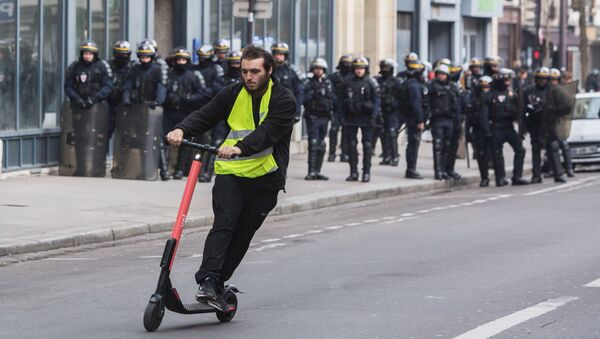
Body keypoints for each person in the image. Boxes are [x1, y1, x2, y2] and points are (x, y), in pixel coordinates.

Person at [165, 44, 296, 312]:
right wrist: (181, 128)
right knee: (224, 224)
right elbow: (206, 114)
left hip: (265, 178)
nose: (249, 77)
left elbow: (269, 132)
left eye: (255, 71)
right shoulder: (233, 93)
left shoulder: (283, 99)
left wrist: (240, 147)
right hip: (232, 173)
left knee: (243, 233)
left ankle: (219, 282)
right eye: (244, 71)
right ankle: (208, 281)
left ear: (269, 70)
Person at [122, 42, 168, 179]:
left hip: (152, 110)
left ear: (152, 56)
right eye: (142, 56)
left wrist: (158, 102)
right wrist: (126, 99)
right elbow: (128, 86)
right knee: (141, 140)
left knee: (157, 139)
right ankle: (144, 169)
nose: (145, 59)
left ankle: (164, 170)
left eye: (147, 57)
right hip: (137, 109)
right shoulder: (134, 69)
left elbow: (162, 87)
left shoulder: (157, 69)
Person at [163, 47, 208, 179]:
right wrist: (169, 96)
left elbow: (202, 93)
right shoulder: (168, 74)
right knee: (166, 140)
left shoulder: (193, 76)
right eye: (178, 59)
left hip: (186, 112)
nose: (181, 62)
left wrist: (189, 99)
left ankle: (179, 170)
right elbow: (161, 89)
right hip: (170, 112)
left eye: (183, 59)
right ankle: (165, 169)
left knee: (184, 143)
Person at [481, 68, 529, 186]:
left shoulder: (512, 94)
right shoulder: (490, 95)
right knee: (497, 153)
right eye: (506, 79)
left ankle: (517, 176)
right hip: (496, 127)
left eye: (509, 79)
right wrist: (487, 130)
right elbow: (484, 114)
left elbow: (520, 112)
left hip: (509, 127)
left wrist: (522, 130)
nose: (508, 81)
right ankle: (500, 178)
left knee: (520, 150)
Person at [341, 57, 380, 182]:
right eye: (357, 68)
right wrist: (342, 117)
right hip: (351, 118)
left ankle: (366, 172)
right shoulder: (347, 82)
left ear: (365, 69)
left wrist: (374, 116)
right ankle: (353, 172)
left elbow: (377, 101)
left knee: (367, 145)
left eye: (361, 68)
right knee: (351, 145)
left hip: (366, 118)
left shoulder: (371, 82)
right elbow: (340, 100)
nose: (359, 71)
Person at [194, 44, 225, 182]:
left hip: (216, 108)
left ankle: (208, 171)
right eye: (201, 57)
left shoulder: (217, 69)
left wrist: (205, 93)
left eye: (205, 58)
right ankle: (196, 170)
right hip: (199, 107)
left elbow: (218, 87)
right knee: (199, 141)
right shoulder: (195, 69)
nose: (202, 60)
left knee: (215, 142)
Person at [303, 58, 335, 180]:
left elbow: (333, 100)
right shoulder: (308, 83)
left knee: (322, 144)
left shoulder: (328, 83)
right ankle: (311, 171)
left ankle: (317, 171)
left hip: (325, 117)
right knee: (313, 143)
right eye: (316, 68)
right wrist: (312, 94)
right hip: (313, 116)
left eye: (320, 69)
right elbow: (303, 99)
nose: (318, 71)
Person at [428, 64, 461, 180]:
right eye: (439, 74)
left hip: (449, 120)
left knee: (448, 146)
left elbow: (458, 104)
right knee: (438, 145)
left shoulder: (452, 87)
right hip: (437, 119)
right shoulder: (432, 86)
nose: (441, 76)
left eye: (443, 74)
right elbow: (426, 103)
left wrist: (458, 120)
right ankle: (438, 171)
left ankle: (447, 170)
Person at [398, 61, 428, 179]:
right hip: (413, 118)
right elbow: (416, 104)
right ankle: (411, 169)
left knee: (412, 143)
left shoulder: (407, 83)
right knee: (413, 144)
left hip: (409, 117)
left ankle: (411, 169)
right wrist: (420, 120)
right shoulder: (414, 86)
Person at [64, 40, 113, 111]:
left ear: (94, 55)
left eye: (90, 54)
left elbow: (108, 86)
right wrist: (76, 98)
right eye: (85, 54)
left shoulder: (102, 66)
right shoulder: (75, 66)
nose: (87, 56)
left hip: (98, 106)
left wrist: (95, 99)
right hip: (77, 106)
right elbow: (68, 86)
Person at [523, 67, 550, 183]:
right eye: (539, 79)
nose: (541, 81)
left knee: (552, 147)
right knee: (536, 149)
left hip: (549, 124)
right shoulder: (529, 91)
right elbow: (523, 108)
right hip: (535, 124)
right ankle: (537, 174)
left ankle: (556, 172)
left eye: (544, 79)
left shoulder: (552, 91)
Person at [467, 75, 493, 186]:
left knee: (495, 153)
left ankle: (500, 176)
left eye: (487, 87)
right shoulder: (475, 100)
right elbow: (469, 116)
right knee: (481, 154)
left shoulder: (493, 99)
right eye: (483, 88)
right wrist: (467, 130)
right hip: (479, 130)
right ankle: (484, 177)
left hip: (493, 128)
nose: (485, 90)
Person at [375, 59, 402, 166]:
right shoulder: (378, 81)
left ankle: (394, 157)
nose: (385, 70)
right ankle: (386, 156)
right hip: (381, 110)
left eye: (387, 68)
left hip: (392, 112)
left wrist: (395, 104)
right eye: (383, 67)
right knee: (382, 133)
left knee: (392, 133)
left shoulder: (396, 82)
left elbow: (401, 97)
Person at [327, 54, 353, 162]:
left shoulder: (353, 77)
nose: (346, 65)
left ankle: (345, 153)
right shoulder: (334, 76)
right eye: (344, 63)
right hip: (336, 108)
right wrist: (334, 101)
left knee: (346, 131)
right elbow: (329, 89)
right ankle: (332, 153)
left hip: (348, 109)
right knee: (334, 130)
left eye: (348, 63)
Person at [271, 42, 304, 122]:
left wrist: (297, 112)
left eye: (281, 54)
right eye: (276, 54)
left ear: (285, 56)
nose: (278, 57)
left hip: (287, 108)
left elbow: (299, 92)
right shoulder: (269, 70)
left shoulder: (293, 71)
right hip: (271, 109)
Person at [108, 41, 133, 139]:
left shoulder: (133, 67)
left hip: (127, 106)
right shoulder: (108, 66)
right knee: (105, 133)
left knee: (125, 136)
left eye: (124, 54)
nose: (121, 56)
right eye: (119, 54)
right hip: (109, 105)